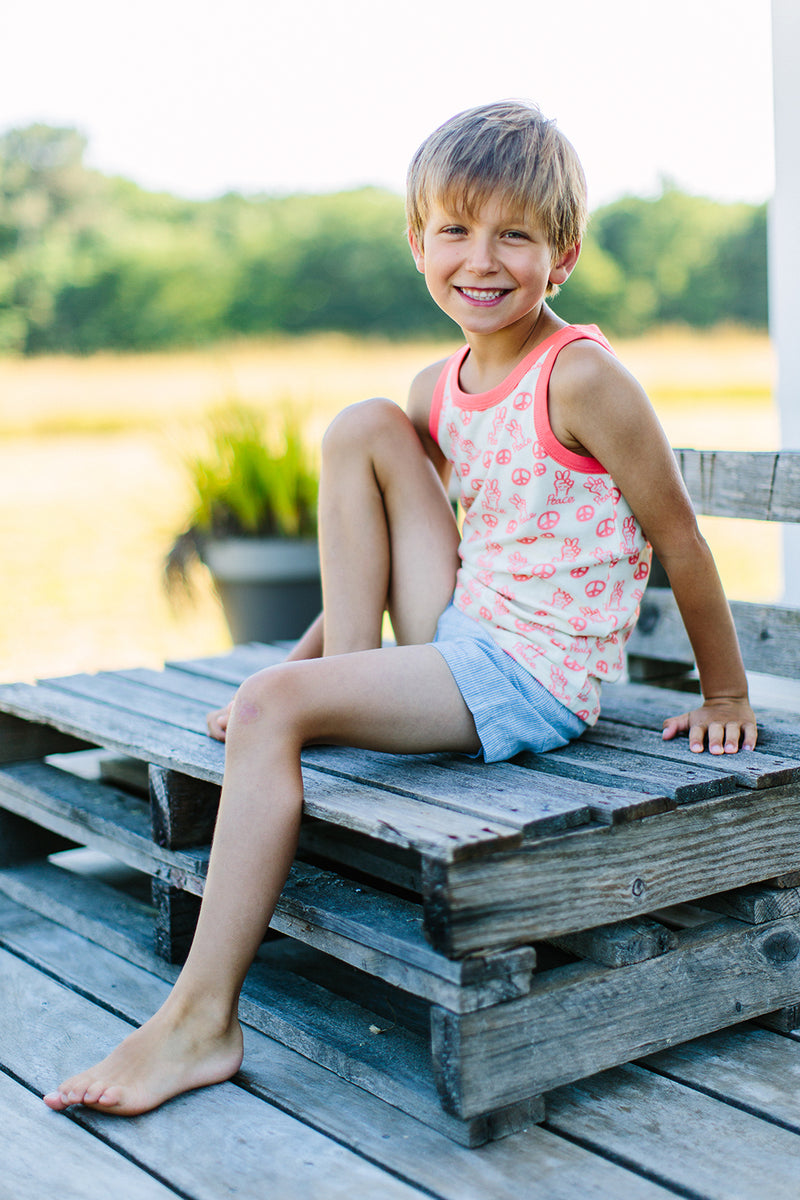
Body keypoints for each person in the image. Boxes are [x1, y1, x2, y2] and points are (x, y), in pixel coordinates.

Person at [44, 100, 757, 1118]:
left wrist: (723, 691)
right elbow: (395, 519)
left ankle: (200, 1021)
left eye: (514, 233)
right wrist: (300, 663)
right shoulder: (442, 384)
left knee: (269, 715)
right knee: (362, 425)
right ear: (416, 243)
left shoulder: (584, 377)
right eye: (455, 230)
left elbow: (679, 538)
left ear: (561, 256)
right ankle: (325, 679)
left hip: (531, 679)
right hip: (464, 630)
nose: (481, 257)